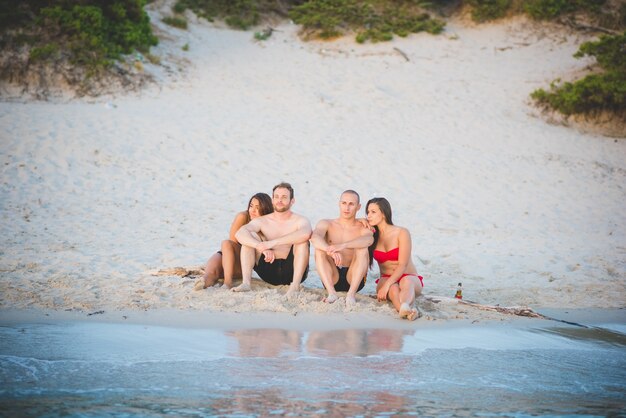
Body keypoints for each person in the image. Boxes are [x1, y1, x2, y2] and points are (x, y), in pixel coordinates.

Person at [233, 182, 312, 298]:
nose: (279, 200)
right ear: (272, 200)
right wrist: (259, 246)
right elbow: (240, 233)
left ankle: (294, 287)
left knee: (302, 242)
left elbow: (305, 234)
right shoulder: (262, 221)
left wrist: (271, 243)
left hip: (292, 271)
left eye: (284, 197)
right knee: (250, 237)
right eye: (276, 197)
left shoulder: (300, 220)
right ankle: (246, 283)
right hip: (268, 270)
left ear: (292, 201)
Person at [194, 193, 273, 290]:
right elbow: (233, 243)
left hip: (241, 263)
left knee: (225, 244)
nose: (252, 210)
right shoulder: (243, 216)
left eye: (257, 208)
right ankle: (202, 283)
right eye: (251, 206)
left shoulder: (269, 223)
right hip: (229, 256)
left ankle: (227, 283)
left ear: (265, 209)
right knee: (211, 272)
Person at [310, 190, 373, 306]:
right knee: (319, 249)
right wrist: (330, 250)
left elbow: (369, 240)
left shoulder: (362, 227)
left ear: (358, 207)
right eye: (344, 203)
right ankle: (331, 293)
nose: (347, 208)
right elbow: (314, 237)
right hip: (332, 277)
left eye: (351, 204)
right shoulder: (326, 223)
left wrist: (343, 245)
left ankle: (351, 295)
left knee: (362, 247)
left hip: (354, 277)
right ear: (339, 204)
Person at [366, 197, 424, 321]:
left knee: (406, 282)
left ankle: (404, 307)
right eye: (368, 212)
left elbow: (402, 265)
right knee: (393, 287)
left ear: (383, 213)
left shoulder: (402, 232)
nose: (368, 215)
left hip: (408, 275)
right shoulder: (371, 236)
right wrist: (387, 284)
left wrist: (386, 286)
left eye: (373, 212)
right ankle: (404, 309)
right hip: (385, 278)